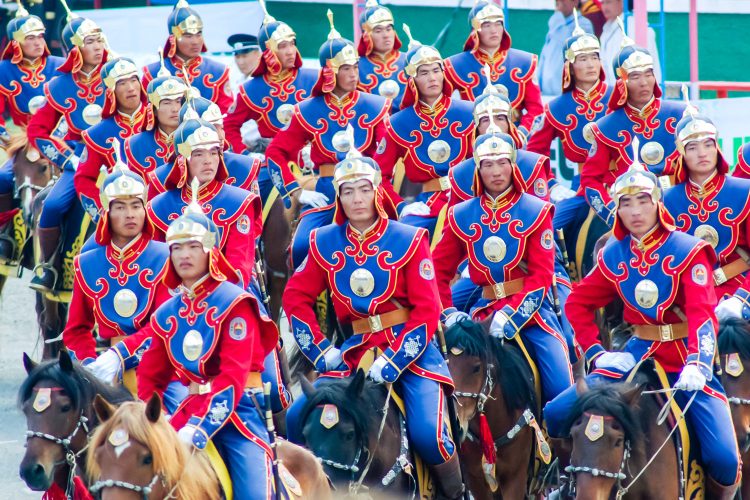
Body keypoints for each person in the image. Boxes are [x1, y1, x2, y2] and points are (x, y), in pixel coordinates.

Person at [543, 141, 741, 498]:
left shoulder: (689, 250)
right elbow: (576, 303)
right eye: (625, 203)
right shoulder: (613, 254)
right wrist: (596, 353)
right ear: (616, 209)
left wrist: (699, 363)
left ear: (658, 204)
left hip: (685, 358)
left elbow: (701, 314)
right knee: (556, 412)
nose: (635, 211)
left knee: (725, 458)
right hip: (636, 352)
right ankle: (568, 484)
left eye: (643, 201)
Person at [282, 146, 464, 499]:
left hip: (410, 352)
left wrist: (394, 361)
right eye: (347, 191)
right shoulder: (323, 242)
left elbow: (428, 310)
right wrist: (323, 355)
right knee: (295, 416)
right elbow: (295, 299)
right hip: (354, 354)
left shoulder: (409, 239)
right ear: (338, 196)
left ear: (377, 191)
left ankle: (456, 494)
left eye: (364, 189)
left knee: (430, 434)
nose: (357, 199)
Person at [136, 188, 278, 498]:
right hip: (185, 411)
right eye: (176, 248)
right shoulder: (165, 312)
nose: (184, 255)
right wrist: (151, 421)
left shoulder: (235, 303)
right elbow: (150, 375)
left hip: (238, 417)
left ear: (210, 251)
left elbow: (232, 379)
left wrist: (199, 429)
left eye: (193, 247)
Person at [433, 130, 574, 405]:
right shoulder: (460, 214)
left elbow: (541, 277)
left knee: (560, 385)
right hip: (482, 312)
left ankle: (561, 442)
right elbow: (436, 273)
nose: (496, 171)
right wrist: (449, 314)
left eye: (502, 162)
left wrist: (511, 316)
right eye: (487, 164)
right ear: (478, 169)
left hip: (532, 314)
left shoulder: (537, 210)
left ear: (513, 165)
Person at [265, 9, 390, 268]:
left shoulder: (376, 105)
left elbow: (386, 154)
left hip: (369, 191)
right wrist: (296, 192)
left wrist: (377, 180)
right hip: (326, 193)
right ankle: (298, 307)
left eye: (355, 67)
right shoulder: (307, 110)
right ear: (330, 72)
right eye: (346, 69)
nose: (354, 74)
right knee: (300, 247)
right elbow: (275, 153)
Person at [62, 155, 187, 413]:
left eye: (136, 205)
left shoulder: (167, 256)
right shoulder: (86, 263)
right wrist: (90, 367)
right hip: (104, 371)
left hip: (162, 367)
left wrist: (119, 355)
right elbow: (76, 330)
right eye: (120, 207)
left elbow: (165, 324)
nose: (130, 214)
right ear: (106, 212)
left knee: (183, 421)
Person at [26, 13, 108, 292]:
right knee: (51, 206)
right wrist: (68, 158)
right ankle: (48, 267)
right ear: (75, 49)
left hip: (122, 156)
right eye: (90, 41)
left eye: (99, 39)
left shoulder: (119, 74)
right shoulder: (60, 85)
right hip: (82, 160)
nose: (98, 47)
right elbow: (37, 130)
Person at [373, 28, 473, 240]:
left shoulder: (469, 112)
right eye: (424, 73)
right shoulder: (398, 123)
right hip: (429, 205)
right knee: (400, 239)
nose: (432, 78)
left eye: (436, 70)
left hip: (471, 198)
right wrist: (401, 207)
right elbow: (378, 175)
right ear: (412, 79)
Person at [146, 116, 260, 289]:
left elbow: (239, 263)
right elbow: (157, 261)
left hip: (229, 291)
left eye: (213, 152)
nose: (208, 160)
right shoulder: (158, 206)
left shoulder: (240, 202)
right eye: (198, 153)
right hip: (173, 294)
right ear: (182, 159)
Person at [580, 38, 684, 227]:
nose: (644, 82)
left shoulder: (682, 114)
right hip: (630, 209)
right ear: (621, 83)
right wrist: (613, 214)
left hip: (681, 202)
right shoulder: (605, 127)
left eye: (648, 74)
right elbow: (590, 179)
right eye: (635, 76)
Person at [527, 17, 611, 233]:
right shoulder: (556, 108)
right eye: (583, 59)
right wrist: (552, 185)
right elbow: (535, 153)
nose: (591, 64)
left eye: (595, 57)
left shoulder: (619, 97)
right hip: (583, 187)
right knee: (547, 231)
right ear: (570, 67)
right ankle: (557, 268)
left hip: (624, 181)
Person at [663, 105, 750, 310]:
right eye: (692, 147)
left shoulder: (744, 191)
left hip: (739, 287)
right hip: (688, 299)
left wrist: (742, 299)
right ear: (681, 152)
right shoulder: (666, 201)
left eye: (708, 144)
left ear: (717, 147)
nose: (702, 153)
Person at [0, 5, 64, 260]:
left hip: (60, 138)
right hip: (24, 141)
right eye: (30, 38)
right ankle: (5, 234)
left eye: (40, 36)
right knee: (3, 178)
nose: (38, 42)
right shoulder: (3, 70)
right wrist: (7, 140)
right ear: (16, 43)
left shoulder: (60, 65)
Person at [443, 0, 543, 139]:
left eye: (498, 23)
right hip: (473, 142)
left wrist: (521, 134)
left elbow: (536, 110)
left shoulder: (524, 62)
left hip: (515, 141)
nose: (494, 30)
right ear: (475, 30)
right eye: (486, 24)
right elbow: (442, 107)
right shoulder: (456, 65)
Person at [74, 57, 147, 220]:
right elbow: (84, 179)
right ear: (110, 91)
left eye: (134, 80)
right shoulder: (98, 133)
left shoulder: (162, 119)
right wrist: (104, 211)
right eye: (122, 83)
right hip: (123, 213)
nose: (130, 88)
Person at [148, 97, 260, 198]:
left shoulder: (245, 168)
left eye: (221, 128)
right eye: (211, 128)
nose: (220, 136)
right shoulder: (159, 178)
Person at [142, 0, 232, 114]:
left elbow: (227, 118)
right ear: (173, 38)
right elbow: (146, 114)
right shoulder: (152, 74)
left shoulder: (218, 71)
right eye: (188, 35)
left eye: (198, 35)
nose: (195, 41)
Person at [123, 65, 187, 179]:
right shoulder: (135, 144)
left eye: (178, 102)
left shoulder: (194, 138)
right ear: (153, 110)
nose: (175, 109)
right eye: (167, 103)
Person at [356, 0, 407, 111]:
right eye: (378, 31)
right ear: (366, 36)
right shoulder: (355, 67)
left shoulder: (409, 61)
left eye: (389, 29)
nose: (386, 35)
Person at [599, 0, 661, 85]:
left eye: (608, 2)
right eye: (602, 3)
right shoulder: (606, 29)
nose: (605, 7)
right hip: (613, 89)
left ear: (621, 2)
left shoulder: (634, 25)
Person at [538, 4, 594, 96]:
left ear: (575, 1)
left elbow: (566, 44)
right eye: (557, 1)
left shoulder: (583, 24)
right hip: (547, 91)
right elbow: (544, 56)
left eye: (563, 1)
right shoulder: (555, 26)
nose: (559, 4)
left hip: (567, 91)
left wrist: (557, 20)